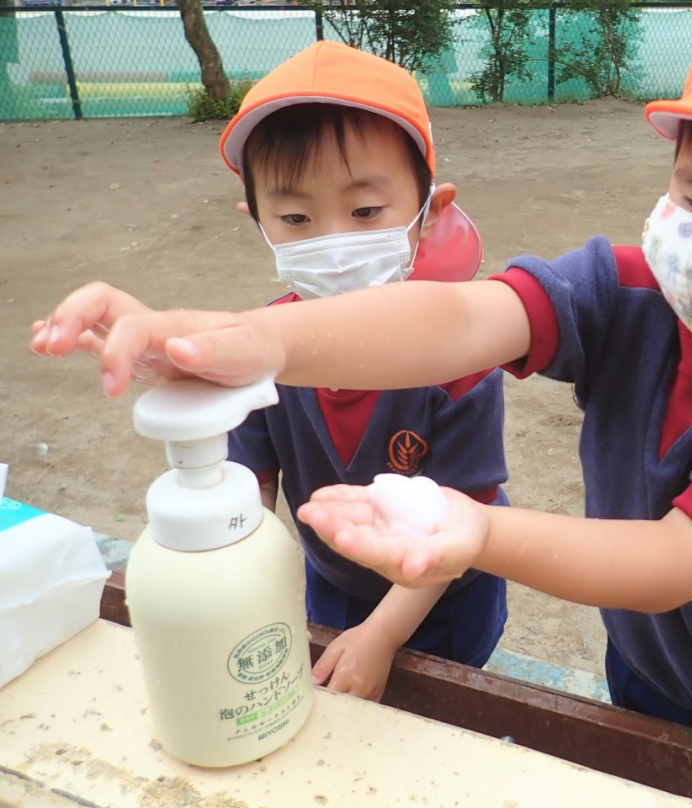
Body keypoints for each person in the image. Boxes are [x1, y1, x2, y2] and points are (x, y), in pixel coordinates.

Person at [32, 0, 692, 771]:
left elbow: (676, 562)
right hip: (641, 673)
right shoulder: (628, 291)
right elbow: (460, 318)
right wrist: (238, 339)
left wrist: (477, 529)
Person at [66, 41, 511, 703]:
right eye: (297, 218)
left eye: (364, 212)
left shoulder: (459, 363)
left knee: (435, 717)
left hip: (440, 600)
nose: (331, 241)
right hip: (329, 578)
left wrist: (384, 634)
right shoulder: (261, 352)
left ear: (429, 214)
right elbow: (249, 483)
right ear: (261, 223)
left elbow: (463, 520)